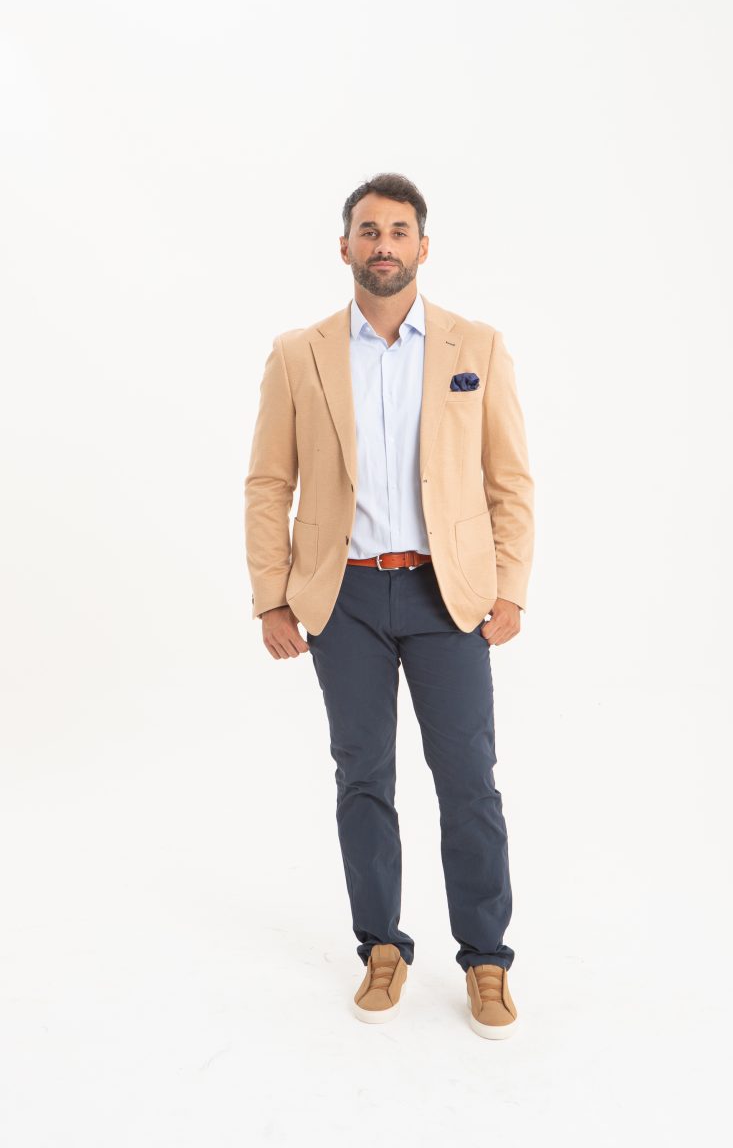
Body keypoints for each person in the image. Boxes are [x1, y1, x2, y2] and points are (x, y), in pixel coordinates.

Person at [243, 172, 534, 1040]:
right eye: (368, 231)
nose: (383, 244)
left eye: (399, 231)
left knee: (469, 780)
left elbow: (509, 480)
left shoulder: (476, 347)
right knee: (363, 776)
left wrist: (510, 586)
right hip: (345, 598)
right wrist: (271, 598)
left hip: (450, 596)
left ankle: (486, 958)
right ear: (345, 247)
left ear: (423, 247)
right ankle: (381, 945)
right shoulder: (298, 355)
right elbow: (269, 483)